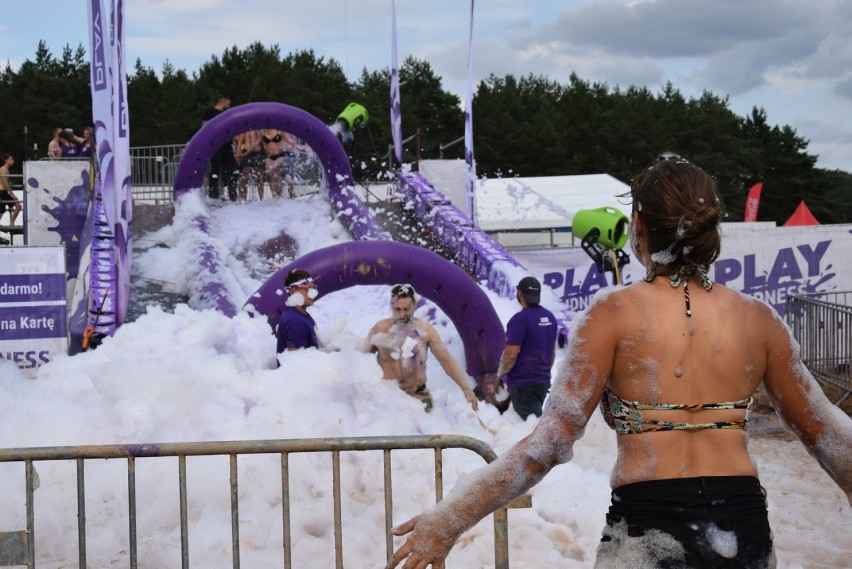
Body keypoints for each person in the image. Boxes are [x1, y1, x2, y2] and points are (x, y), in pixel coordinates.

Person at [386, 153, 852, 569]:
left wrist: (448, 519)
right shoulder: (758, 320)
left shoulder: (611, 317)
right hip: (741, 523)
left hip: (647, 531)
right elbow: (828, 435)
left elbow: (545, 447)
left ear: (640, 227)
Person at [367, 284, 479, 413]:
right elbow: (360, 353)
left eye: (406, 309)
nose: (402, 313)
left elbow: (446, 361)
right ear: (392, 307)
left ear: (414, 306)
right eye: (398, 309)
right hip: (388, 394)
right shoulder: (380, 329)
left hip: (418, 395)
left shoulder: (425, 331)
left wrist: (466, 389)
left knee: (427, 427)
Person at [490, 276, 557, 419]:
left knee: (533, 427)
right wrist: (544, 372)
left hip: (524, 384)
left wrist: (500, 374)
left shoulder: (519, 320)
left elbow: (511, 354)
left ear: (520, 293)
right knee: (532, 421)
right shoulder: (550, 317)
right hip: (542, 383)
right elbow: (551, 353)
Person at [276, 269, 320, 355]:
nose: (313, 293)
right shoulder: (294, 321)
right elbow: (296, 362)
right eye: (308, 289)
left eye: (313, 288)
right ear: (293, 291)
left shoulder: (301, 315)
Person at [201, 95, 237, 200]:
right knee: (215, 169)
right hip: (216, 145)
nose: (229, 105)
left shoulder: (227, 113)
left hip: (227, 145)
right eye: (228, 103)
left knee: (231, 169)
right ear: (223, 102)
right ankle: (213, 194)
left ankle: (232, 194)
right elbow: (204, 127)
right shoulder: (209, 112)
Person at [235, 129, 266, 201]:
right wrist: (237, 155)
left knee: (259, 177)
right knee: (244, 176)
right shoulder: (245, 128)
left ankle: (262, 199)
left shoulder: (259, 129)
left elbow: (258, 141)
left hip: (257, 153)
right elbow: (240, 141)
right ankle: (242, 199)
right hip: (246, 153)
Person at [0, 154, 21, 227]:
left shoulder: (6, 169)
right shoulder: (3, 169)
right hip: (2, 192)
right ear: (6, 160)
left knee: (1, 211)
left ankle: (11, 223)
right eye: (11, 159)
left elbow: (6, 183)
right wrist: (13, 195)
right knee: (18, 206)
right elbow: (5, 184)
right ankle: (11, 223)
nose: (13, 161)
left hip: (3, 192)